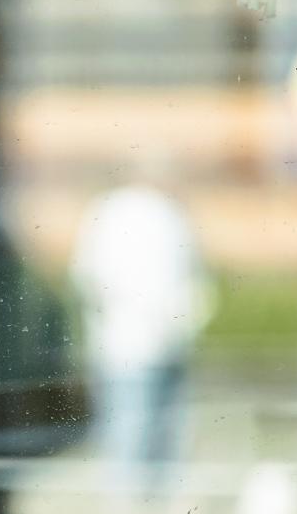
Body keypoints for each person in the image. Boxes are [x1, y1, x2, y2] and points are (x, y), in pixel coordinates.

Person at [68, 185, 208, 487]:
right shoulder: (123, 212)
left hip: (157, 347)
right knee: (132, 439)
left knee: (160, 440)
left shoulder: (159, 213)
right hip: (129, 349)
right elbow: (90, 278)